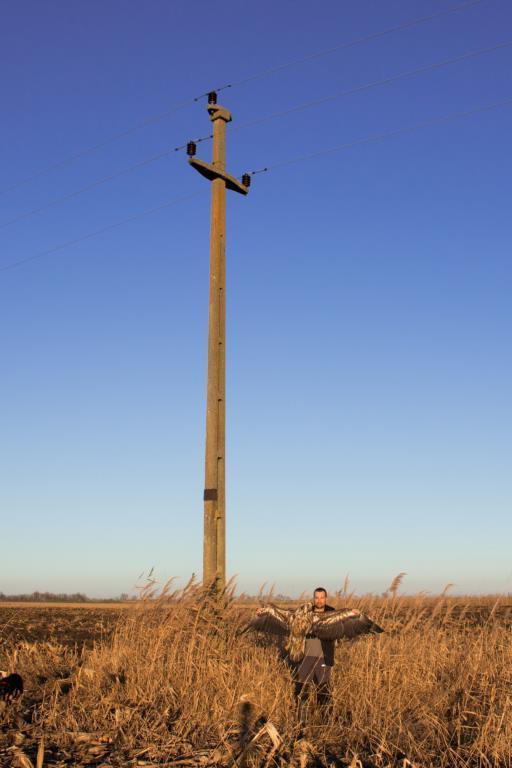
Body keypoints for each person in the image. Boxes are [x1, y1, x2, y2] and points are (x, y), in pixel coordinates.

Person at [293, 587, 335, 724]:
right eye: (316, 597)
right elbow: (294, 622)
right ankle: (301, 722)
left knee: (323, 691)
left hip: (323, 658)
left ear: (326, 598)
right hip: (306, 658)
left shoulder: (332, 613)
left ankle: (325, 723)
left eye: (322, 597)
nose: (319, 600)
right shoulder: (306, 613)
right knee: (302, 690)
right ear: (314, 598)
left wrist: (354, 613)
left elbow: (338, 630)